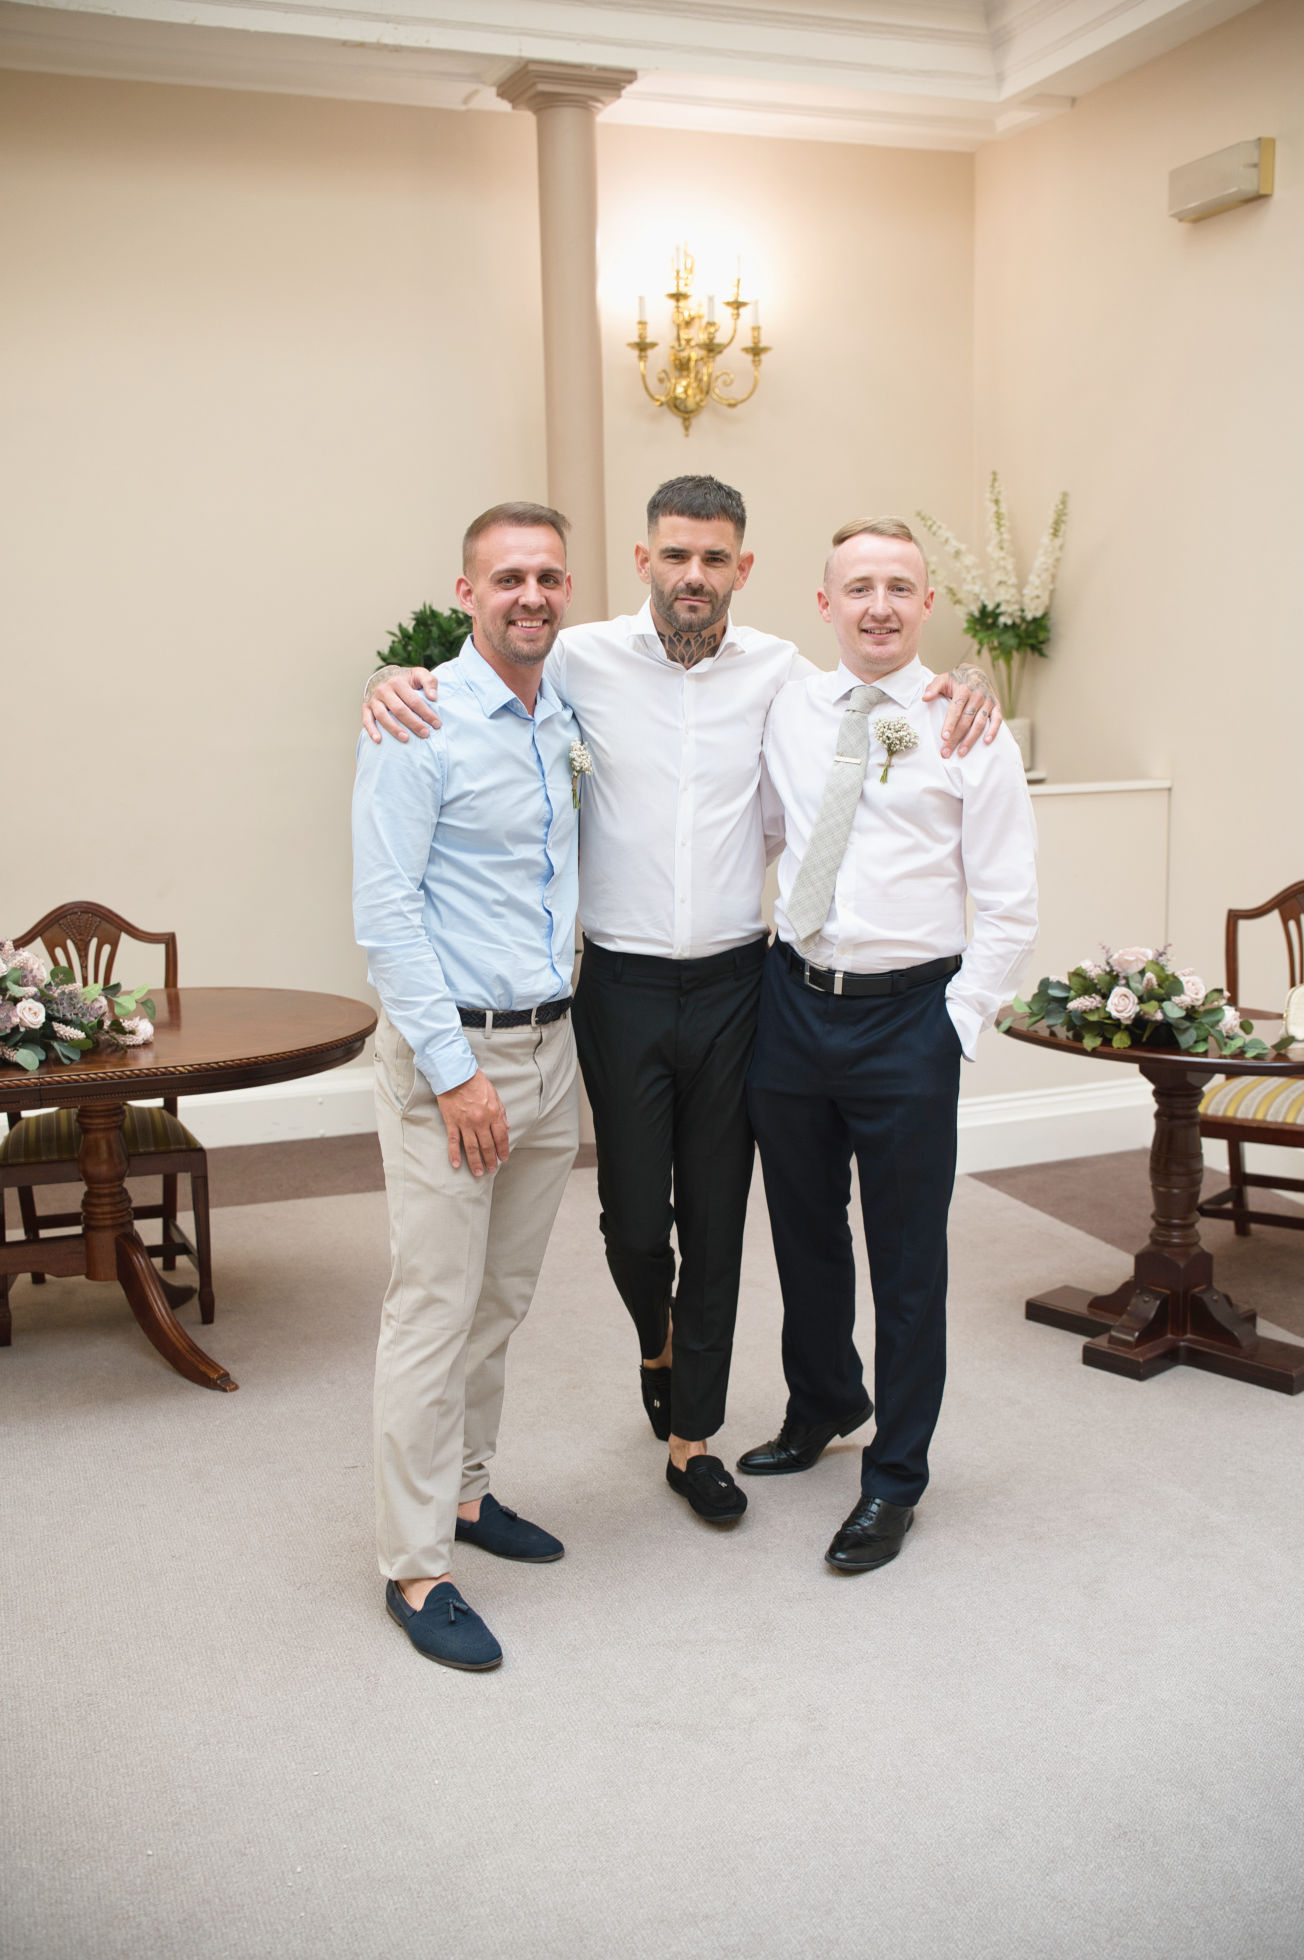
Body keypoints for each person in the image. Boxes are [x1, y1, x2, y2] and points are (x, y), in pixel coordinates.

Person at [362, 478, 1002, 1528]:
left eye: (713, 558)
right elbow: (483, 661)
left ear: (741, 571)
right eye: (674, 555)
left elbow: (881, 676)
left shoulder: (786, 680)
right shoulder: (576, 658)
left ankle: (689, 1438)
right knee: (628, 1225)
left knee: (714, 1219)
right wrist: (392, 679)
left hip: (734, 985)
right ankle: (655, 1345)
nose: (692, 575)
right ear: (643, 560)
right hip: (611, 985)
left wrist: (965, 681)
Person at [739, 517, 1038, 1572]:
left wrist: (950, 1027)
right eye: (857, 586)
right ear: (822, 605)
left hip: (909, 1016)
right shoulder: (780, 702)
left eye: (898, 587)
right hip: (792, 1003)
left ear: (924, 607)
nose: (877, 605)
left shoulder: (969, 729)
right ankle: (822, 1401)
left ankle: (894, 1478)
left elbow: (1007, 904)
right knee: (803, 1232)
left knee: (906, 1260)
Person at [352, 502, 581, 1671]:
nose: (529, 594)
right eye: (506, 577)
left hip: (555, 1051)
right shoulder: (417, 720)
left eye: (546, 575)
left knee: (502, 1298)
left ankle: (470, 1496)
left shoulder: (565, 703)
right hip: (459, 1061)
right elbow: (385, 915)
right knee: (434, 1308)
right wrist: (453, 1075)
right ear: (466, 591)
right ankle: (412, 1562)